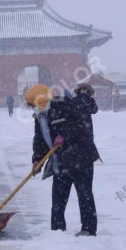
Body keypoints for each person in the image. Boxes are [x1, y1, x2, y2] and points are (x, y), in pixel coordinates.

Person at [26, 84, 99, 236]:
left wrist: (65, 136)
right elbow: (40, 140)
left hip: (81, 158)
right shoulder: (40, 117)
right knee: (58, 198)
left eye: (34, 104)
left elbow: (81, 125)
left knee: (84, 195)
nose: (33, 108)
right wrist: (37, 160)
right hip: (61, 161)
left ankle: (88, 229)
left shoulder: (65, 106)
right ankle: (57, 230)